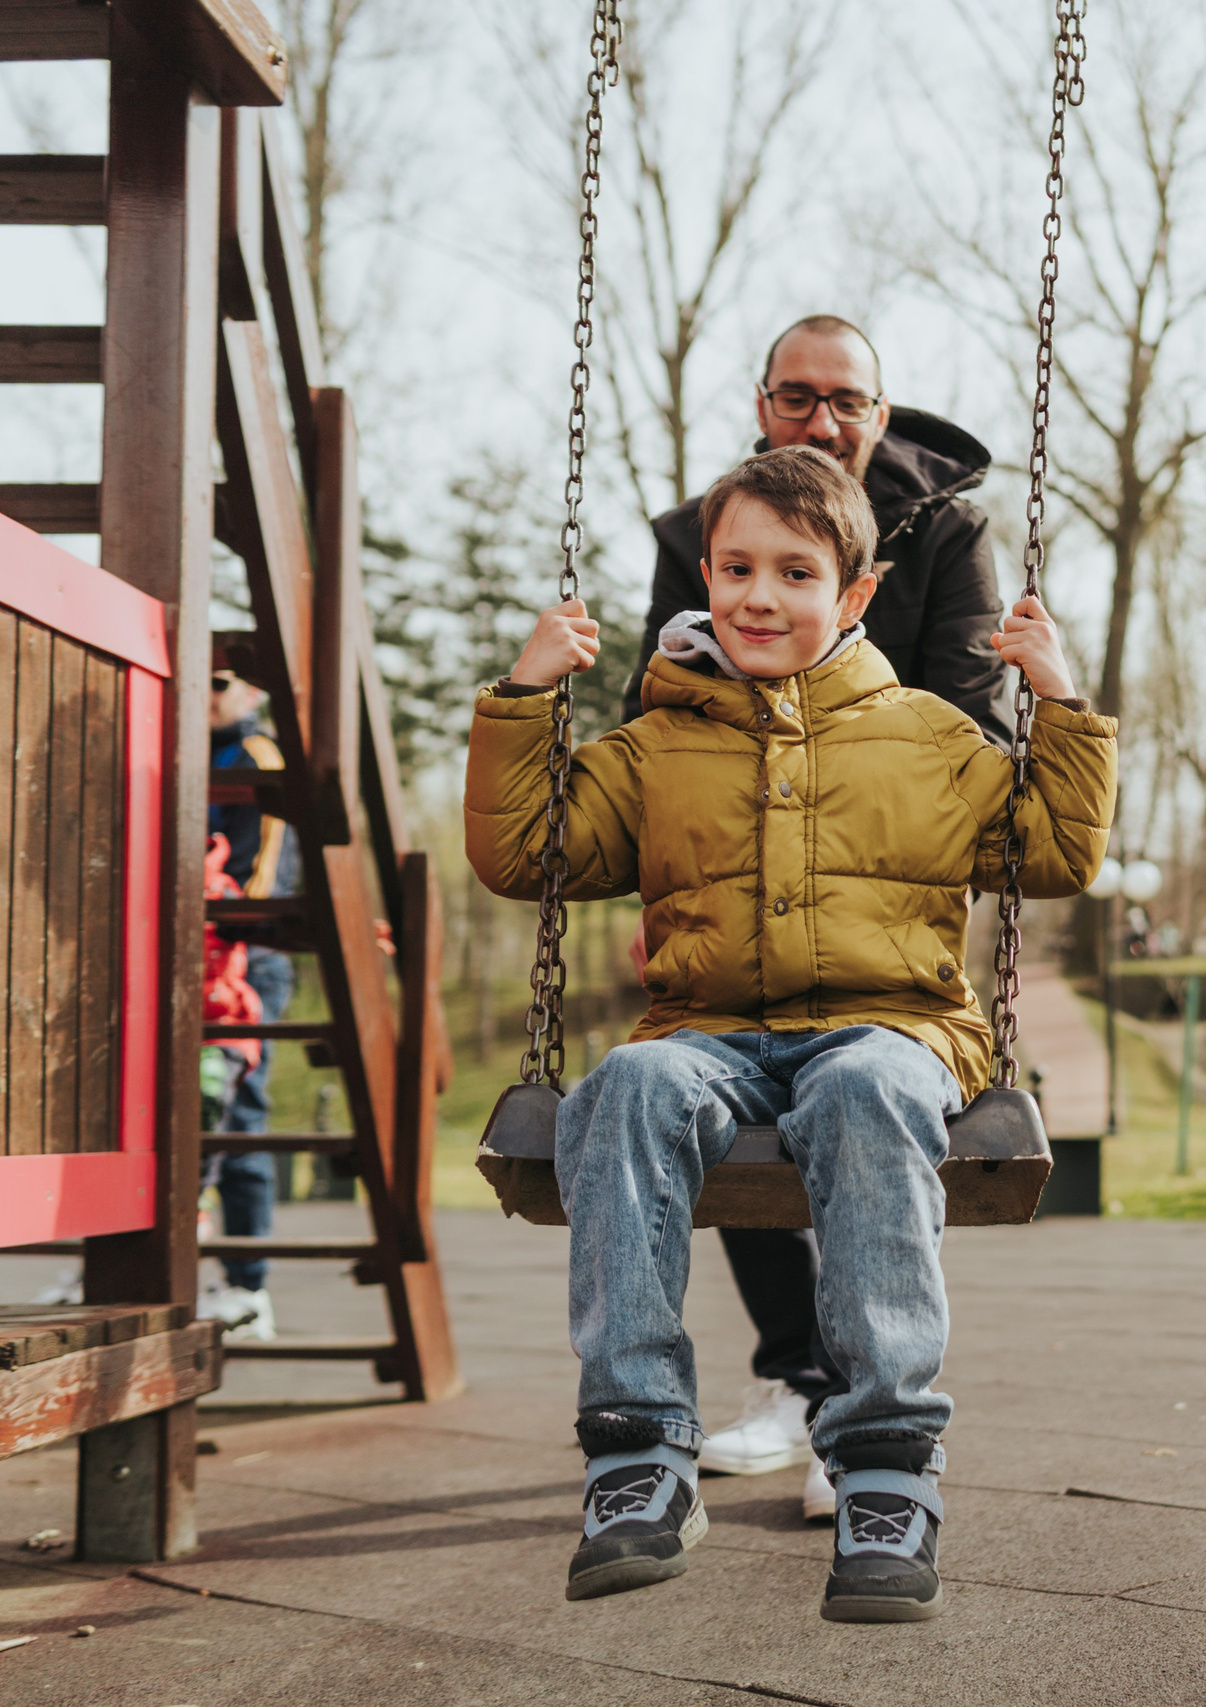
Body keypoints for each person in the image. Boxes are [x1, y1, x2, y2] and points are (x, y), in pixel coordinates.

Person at [467, 444, 1113, 1619]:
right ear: (703, 576)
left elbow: (1056, 852)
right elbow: (529, 855)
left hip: (891, 1023)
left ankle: (882, 1464)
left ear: (853, 595)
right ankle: (637, 1452)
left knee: (864, 1088)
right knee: (626, 1086)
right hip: (710, 1030)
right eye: (735, 568)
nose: (759, 596)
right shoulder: (657, 745)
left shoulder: (926, 734)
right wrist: (525, 699)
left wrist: (1058, 703)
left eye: (795, 572)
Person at [621, 315, 1008, 1522]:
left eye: (846, 399)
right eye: (796, 397)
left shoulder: (944, 529)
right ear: (761, 404)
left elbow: (971, 699)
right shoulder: (704, 531)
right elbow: (663, 687)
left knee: (863, 1101)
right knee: (705, 1057)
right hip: (734, 856)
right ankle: (796, 1371)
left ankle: (862, 1402)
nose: (822, 420)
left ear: (880, 414)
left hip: (885, 860)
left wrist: (875, 785)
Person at [200, 669, 300, 1341]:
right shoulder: (201, 754)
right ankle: (218, 1277)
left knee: (237, 1114)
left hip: (246, 952)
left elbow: (258, 863)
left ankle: (249, 1287)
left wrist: (229, 917)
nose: (206, 691)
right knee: (195, 1116)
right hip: (204, 950)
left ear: (253, 692)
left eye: (220, 680)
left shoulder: (255, 753)